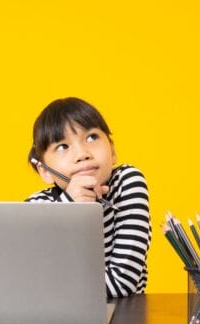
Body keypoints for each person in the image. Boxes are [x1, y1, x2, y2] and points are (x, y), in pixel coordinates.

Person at [25, 97, 152, 298]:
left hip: (123, 315)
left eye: (92, 137)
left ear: (112, 150)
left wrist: (55, 294)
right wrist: (68, 210)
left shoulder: (127, 182)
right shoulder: (37, 207)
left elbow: (122, 282)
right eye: (62, 146)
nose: (82, 154)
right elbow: (28, 281)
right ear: (45, 171)